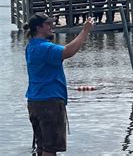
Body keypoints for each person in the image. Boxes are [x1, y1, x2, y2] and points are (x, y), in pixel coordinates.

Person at [23, 13, 94, 155]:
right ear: (38, 27)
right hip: (49, 102)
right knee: (50, 148)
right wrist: (85, 30)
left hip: (35, 101)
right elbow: (69, 51)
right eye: (48, 24)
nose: (52, 26)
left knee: (42, 146)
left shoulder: (31, 46)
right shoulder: (44, 48)